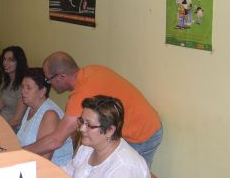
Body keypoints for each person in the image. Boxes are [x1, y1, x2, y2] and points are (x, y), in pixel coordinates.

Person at [25, 51, 162, 169]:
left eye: (48, 79)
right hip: (141, 122)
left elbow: (55, 140)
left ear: (61, 76)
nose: (49, 83)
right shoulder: (92, 70)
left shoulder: (81, 95)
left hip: (142, 133)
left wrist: (22, 151)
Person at [63, 96, 152, 178]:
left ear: (110, 130)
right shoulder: (88, 147)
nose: (82, 129)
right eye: (82, 121)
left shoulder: (124, 168)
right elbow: (67, 172)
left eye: (89, 125)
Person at [17, 68, 73, 166]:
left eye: (28, 88)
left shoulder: (50, 115)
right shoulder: (31, 106)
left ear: (42, 91)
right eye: (23, 87)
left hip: (53, 171)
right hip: (27, 162)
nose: (23, 91)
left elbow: (44, 160)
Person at [0, 46, 28, 131]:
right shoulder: (6, 80)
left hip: (12, 129)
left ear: (19, 63)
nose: (5, 63)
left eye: (11, 60)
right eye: (4, 59)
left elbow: (16, 121)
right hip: (1, 122)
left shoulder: (24, 85)